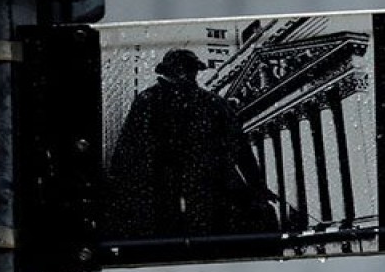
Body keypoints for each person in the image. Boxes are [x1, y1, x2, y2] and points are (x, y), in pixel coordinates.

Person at [106, 49, 279, 240]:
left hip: (207, 188)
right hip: (167, 189)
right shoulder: (149, 101)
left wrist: (257, 186)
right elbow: (128, 149)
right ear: (169, 71)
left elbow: (239, 146)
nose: (188, 74)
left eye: (191, 70)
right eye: (183, 69)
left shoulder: (211, 102)